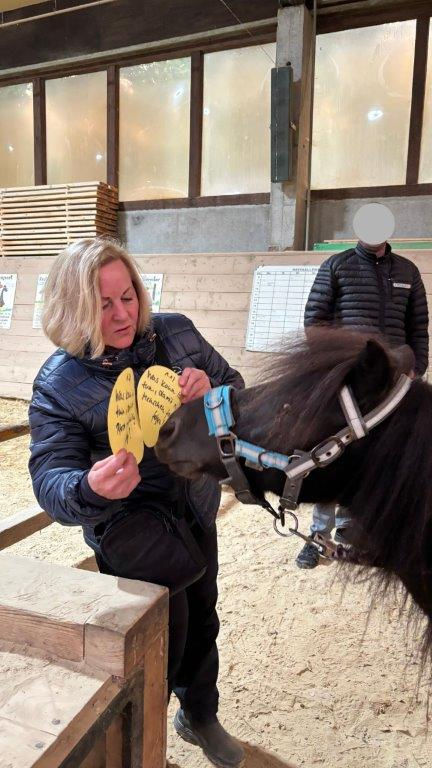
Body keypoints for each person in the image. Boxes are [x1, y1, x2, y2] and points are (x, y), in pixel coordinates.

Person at [28, 237, 245, 768]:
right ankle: (142, 740)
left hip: (194, 504)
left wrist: (212, 394)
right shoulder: (57, 384)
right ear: (74, 307)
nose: (123, 314)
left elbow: (237, 390)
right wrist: (89, 487)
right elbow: (50, 476)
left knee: (204, 615)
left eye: (128, 296)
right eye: (104, 304)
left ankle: (200, 715)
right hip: (131, 527)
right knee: (157, 636)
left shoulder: (178, 333)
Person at [296, 237, 429, 569]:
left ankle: (350, 528)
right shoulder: (337, 265)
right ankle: (318, 535)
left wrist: (417, 367)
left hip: (392, 383)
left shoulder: (408, 272)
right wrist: (332, 364)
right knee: (332, 454)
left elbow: (418, 327)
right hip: (348, 380)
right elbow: (315, 320)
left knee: (375, 457)